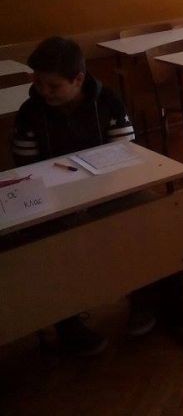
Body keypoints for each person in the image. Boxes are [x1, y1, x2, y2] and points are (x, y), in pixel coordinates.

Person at [11, 36, 136, 356]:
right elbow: (27, 168)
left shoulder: (108, 101)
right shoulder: (30, 112)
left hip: (106, 191)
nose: (44, 92)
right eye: (38, 83)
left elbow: (125, 154)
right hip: (54, 201)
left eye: (53, 86)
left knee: (143, 220)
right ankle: (67, 322)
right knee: (48, 247)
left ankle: (144, 297)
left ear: (78, 79)